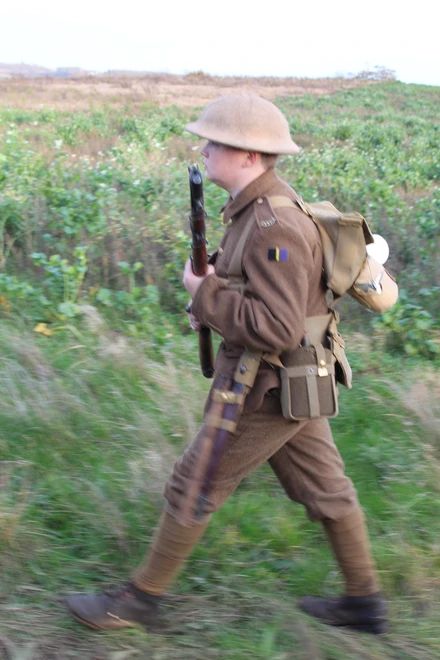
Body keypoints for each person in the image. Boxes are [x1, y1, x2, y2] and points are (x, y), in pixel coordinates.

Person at [66, 93, 388, 635]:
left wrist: (205, 297)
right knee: (327, 490)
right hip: (295, 384)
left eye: (215, 141)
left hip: (267, 386)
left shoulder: (272, 226)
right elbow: (255, 295)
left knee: (195, 482)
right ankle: (366, 605)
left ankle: (140, 600)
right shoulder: (253, 211)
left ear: (248, 155)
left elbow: (280, 327)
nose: (205, 148)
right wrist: (213, 296)